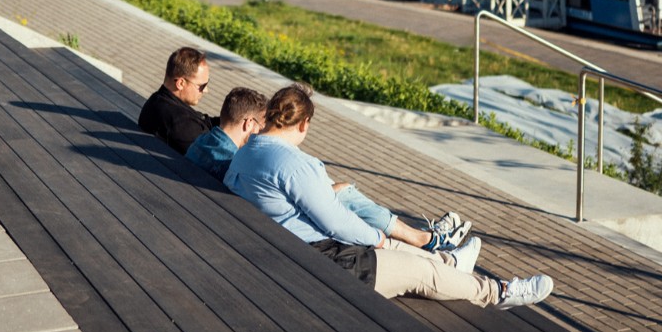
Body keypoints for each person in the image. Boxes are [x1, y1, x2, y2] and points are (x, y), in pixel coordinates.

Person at [225, 84, 553, 309]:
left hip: (288, 248)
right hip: (325, 262)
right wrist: (376, 238)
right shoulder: (294, 164)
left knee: (394, 245)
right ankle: (499, 292)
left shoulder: (247, 151)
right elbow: (335, 222)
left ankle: (451, 262)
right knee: (419, 272)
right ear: (304, 123)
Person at [189, 88, 471, 251]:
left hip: (239, 219)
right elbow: (332, 222)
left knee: (337, 193)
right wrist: (330, 191)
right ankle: (427, 242)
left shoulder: (209, 144)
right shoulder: (234, 157)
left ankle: (426, 241)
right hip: (279, 237)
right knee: (345, 195)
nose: (263, 130)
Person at [137, 47, 219, 154]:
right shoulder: (181, 123)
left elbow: (205, 122)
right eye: (202, 86)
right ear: (180, 83)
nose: (206, 90)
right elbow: (210, 156)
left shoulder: (158, 100)